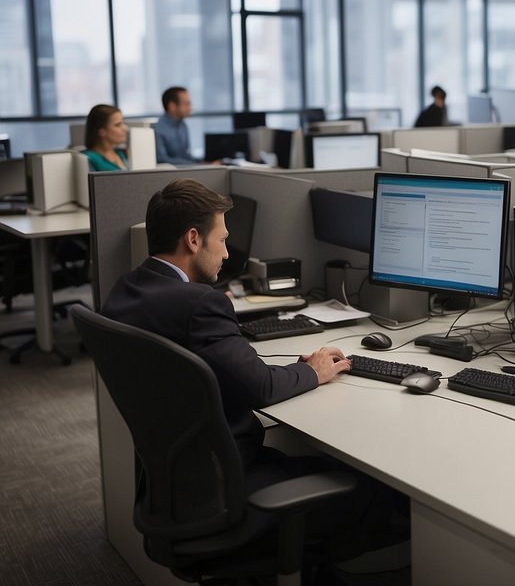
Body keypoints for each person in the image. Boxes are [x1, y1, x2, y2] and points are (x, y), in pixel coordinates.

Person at [101, 179, 405, 557]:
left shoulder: (125, 290)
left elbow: (218, 369)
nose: (227, 253)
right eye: (222, 239)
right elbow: (259, 386)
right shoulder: (199, 304)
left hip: (176, 486)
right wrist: (316, 371)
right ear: (193, 239)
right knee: (377, 487)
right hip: (229, 485)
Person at [153, 86, 197, 165]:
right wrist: (196, 165)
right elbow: (162, 160)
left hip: (186, 171)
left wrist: (206, 163)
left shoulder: (183, 125)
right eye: (187, 104)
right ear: (172, 106)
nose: (190, 108)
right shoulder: (157, 129)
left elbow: (185, 156)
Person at [82, 104, 129, 171]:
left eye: (123, 123)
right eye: (118, 125)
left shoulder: (120, 154)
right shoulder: (87, 158)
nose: (125, 128)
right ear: (102, 131)